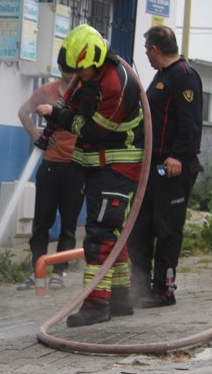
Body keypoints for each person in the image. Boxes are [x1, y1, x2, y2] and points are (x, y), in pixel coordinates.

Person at [36, 24, 144, 326]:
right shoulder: (93, 75)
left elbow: (94, 130)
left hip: (117, 167)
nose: (75, 79)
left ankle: (96, 304)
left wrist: (58, 116)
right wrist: (57, 114)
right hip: (100, 167)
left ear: (93, 63)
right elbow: (74, 104)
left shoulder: (116, 85)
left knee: (99, 235)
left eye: (78, 73)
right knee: (114, 235)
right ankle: (121, 298)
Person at [127, 25, 203, 308]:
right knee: (141, 229)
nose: (146, 55)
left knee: (168, 230)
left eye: (147, 49)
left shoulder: (184, 76)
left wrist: (178, 156)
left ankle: (164, 290)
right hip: (153, 168)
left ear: (155, 49)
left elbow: (190, 122)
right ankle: (140, 288)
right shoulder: (161, 77)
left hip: (172, 169)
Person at [16, 68, 84, 291]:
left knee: (68, 225)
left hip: (76, 166)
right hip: (50, 165)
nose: (70, 73)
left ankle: (59, 272)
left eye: (74, 69)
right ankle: (38, 270)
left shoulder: (86, 92)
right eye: (66, 69)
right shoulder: (47, 91)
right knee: (42, 222)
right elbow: (23, 112)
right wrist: (37, 138)